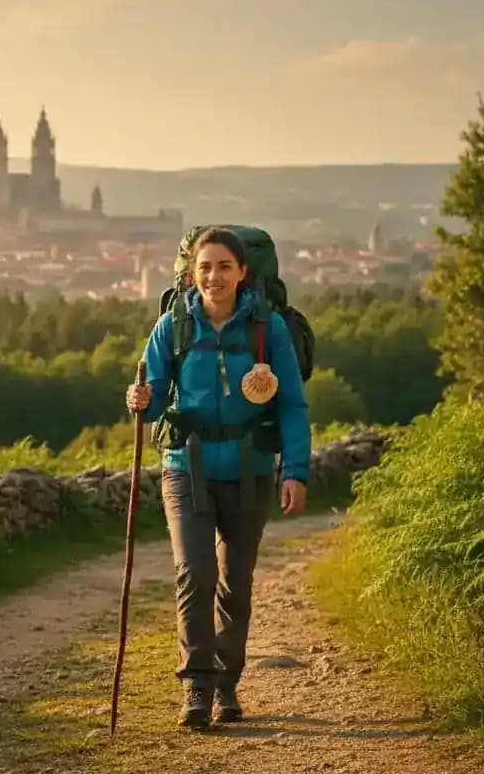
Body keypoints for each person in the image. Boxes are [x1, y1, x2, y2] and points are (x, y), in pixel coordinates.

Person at [126, 226, 311, 730]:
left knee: (236, 585)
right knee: (195, 574)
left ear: (243, 272)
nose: (214, 276)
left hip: (250, 470)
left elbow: (292, 403)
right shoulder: (173, 326)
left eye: (225, 266)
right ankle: (197, 688)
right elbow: (155, 399)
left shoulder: (266, 329)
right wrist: (140, 402)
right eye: (205, 267)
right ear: (192, 273)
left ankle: (227, 684)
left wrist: (294, 470)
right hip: (186, 468)